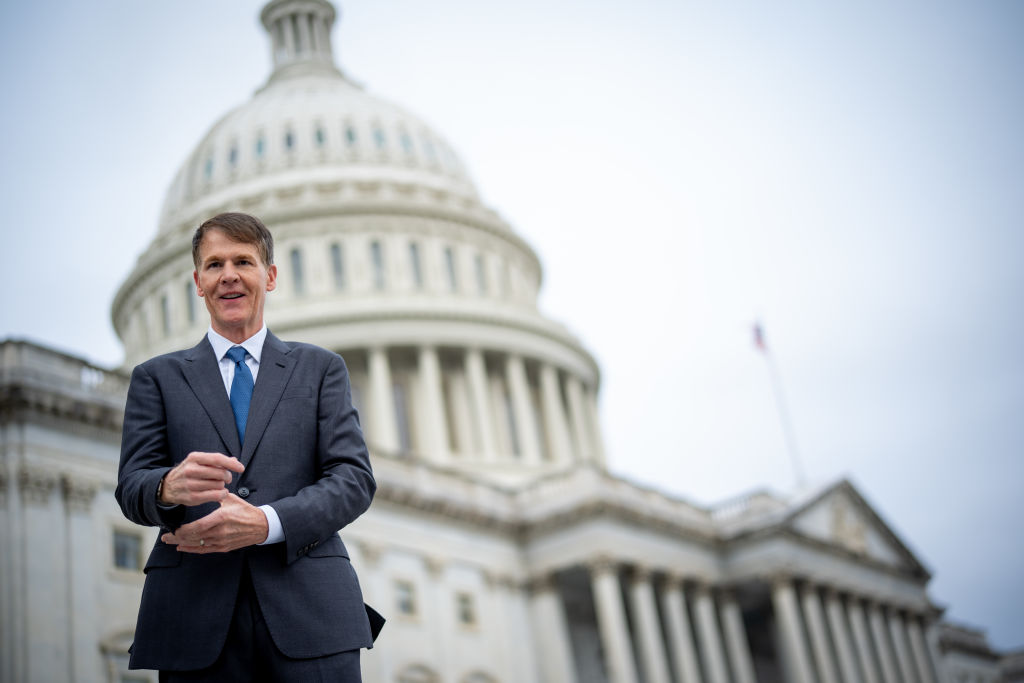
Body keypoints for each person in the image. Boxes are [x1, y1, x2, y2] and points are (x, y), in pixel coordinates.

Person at [116, 212, 381, 681]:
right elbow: (132, 489)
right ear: (198, 282)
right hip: (194, 619)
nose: (229, 275)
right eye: (214, 265)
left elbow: (353, 479)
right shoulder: (155, 379)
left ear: (271, 275)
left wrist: (265, 523)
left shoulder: (321, 369)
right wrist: (168, 486)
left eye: (244, 261)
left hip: (310, 612)